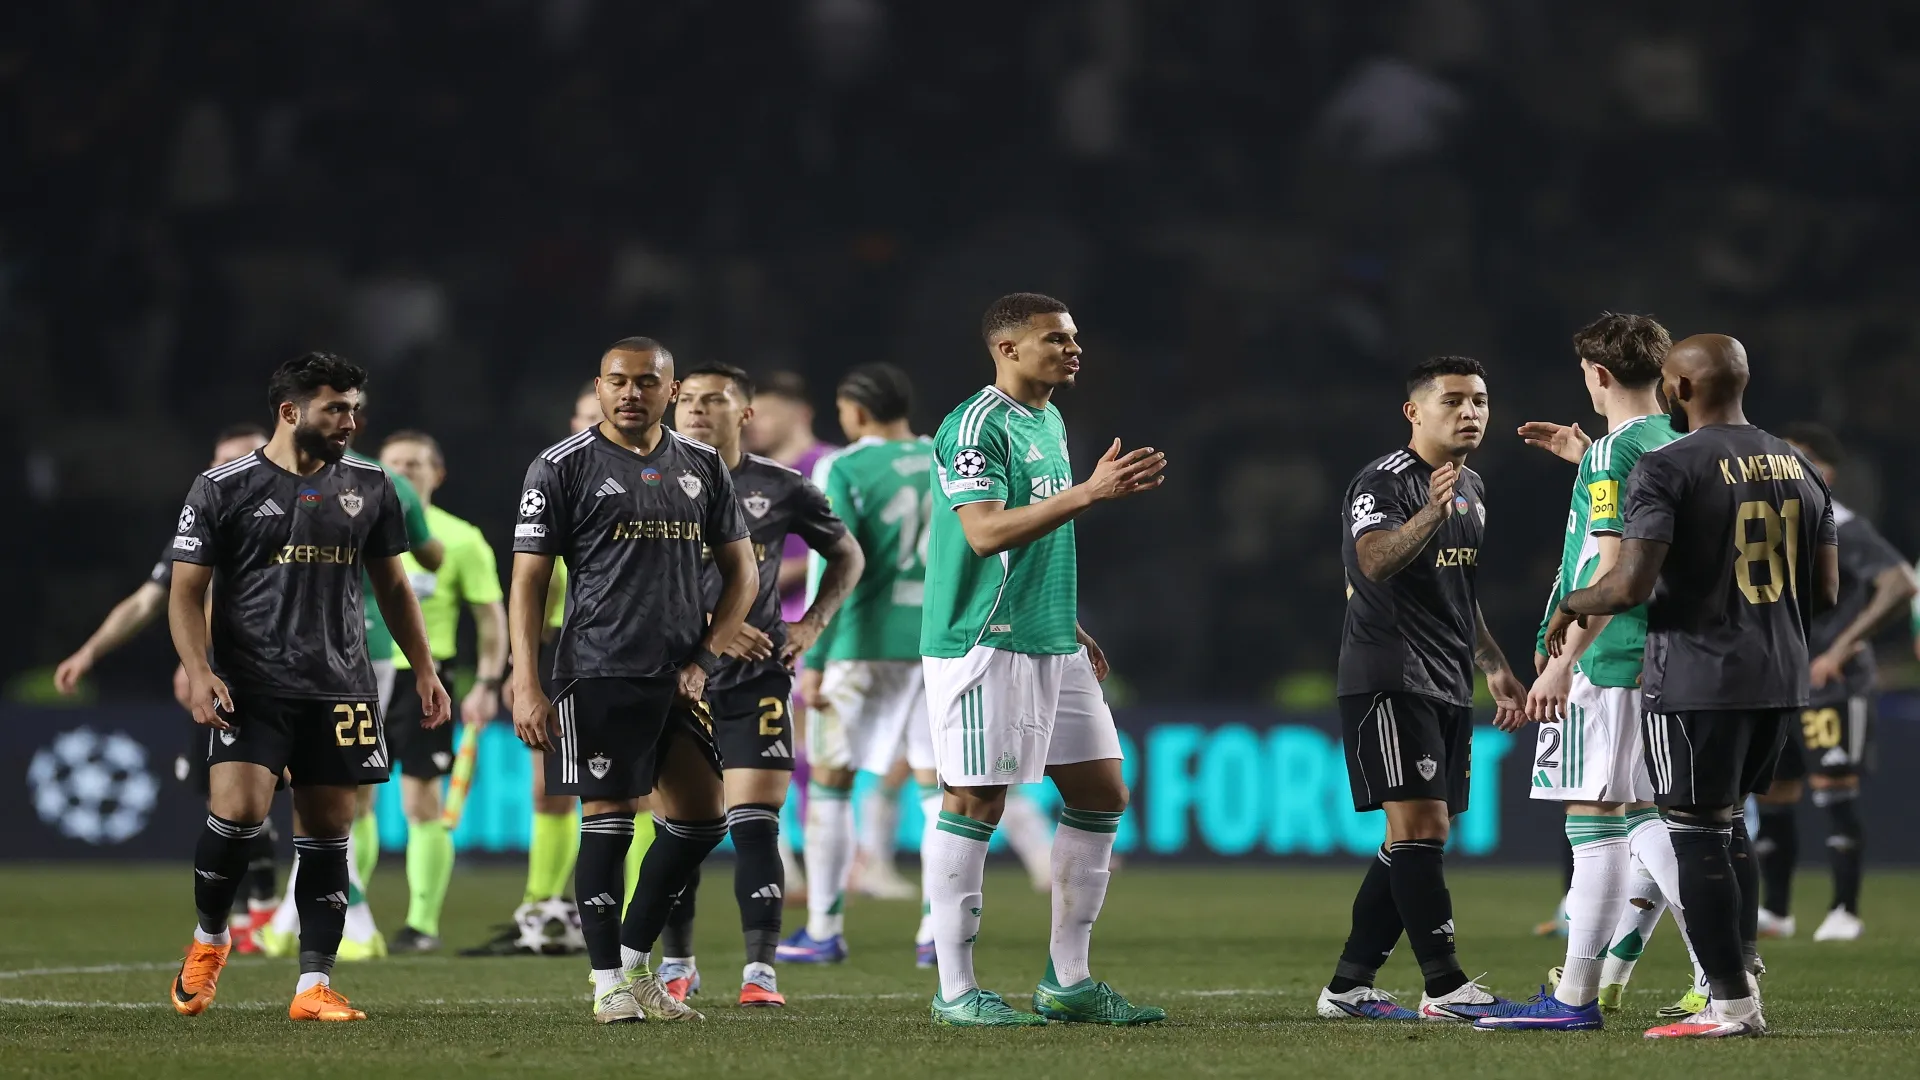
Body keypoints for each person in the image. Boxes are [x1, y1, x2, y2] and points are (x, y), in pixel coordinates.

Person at [1545, 333, 1839, 1039]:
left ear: (1677, 389)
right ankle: (1735, 975)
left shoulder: (1668, 465)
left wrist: (1571, 604)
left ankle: (1729, 1002)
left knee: (1694, 833)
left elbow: (1630, 584)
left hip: (1703, 676)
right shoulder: (1800, 466)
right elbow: (1824, 592)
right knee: (1729, 825)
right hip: (1782, 677)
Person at [166, 352, 450, 1022]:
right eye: (336, 408)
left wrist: (426, 668)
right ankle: (209, 941)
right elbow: (185, 593)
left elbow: (394, 587)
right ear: (290, 411)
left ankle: (312, 986)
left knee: (329, 831)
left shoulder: (371, 487)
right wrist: (201, 669)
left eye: (355, 408)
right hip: (250, 682)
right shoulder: (223, 486)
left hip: (341, 683)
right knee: (239, 811)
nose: (351, 421)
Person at [920, 292, 1167, 1027]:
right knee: (974, 802)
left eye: (1074, 337)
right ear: (1007, 349)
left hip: (1050, 637)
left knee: (1101, 794)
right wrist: (1090, 493)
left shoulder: (1050, 419)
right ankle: (956, 992)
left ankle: (1068, 981)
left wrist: (1072, 621)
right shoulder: (973, 426)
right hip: (982, 639)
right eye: (1055, 338)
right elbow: (987, 533)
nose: (1072, 348)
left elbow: (1039, 537)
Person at [506, 337, 757, 1024]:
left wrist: (705, 658)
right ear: (599, 384)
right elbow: (529, 580)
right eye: (618, 381)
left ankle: (636, 962)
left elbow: (744, 572)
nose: (631, 393)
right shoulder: (561, 466)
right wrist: (525, 681)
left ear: (670, 392)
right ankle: (606, 981)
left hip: (678, 676)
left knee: (705, 819)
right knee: (609, 822)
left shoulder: (702, 465)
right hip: (598, 669)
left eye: (647, 382)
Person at [1477, 314, 1694, 1031]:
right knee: (1636, 813)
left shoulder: (1617, 453)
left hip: (1611, 653)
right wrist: (1587, 454)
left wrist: (1565, 659)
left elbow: (1607, 559)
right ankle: (1709, 969)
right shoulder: (1677, 442)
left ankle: (1707, 971)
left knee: (1606, 818)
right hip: (1665, 653)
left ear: (1597, 376)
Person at [1318, 355, 1526, 1024]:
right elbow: (1375, 562)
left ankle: (1350, 985)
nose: (1471, 413)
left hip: (1444, 676)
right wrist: (1431, 515)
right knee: (1420, 826)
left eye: (1481, 401)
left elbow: (1456, 590)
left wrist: (1491, 661)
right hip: (1388, 673)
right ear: (1415, 412)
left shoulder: (1474, 488)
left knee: (1416, 834)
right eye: (1455, 401)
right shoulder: (1383, 482)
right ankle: (1445, 987)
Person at [655, 364, 862, 1007]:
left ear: (744, 414)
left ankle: (760, 974)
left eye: (712, 399)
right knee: (680, 830)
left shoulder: (783, 486)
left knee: (754, 823)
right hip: (678, 679)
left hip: (757, 677)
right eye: (685, 399)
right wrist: (714, 632)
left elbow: (847, 555)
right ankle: (677, 965)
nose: (694, 409)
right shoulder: (648, 483)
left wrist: (812, 626)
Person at [56, 424, 277, 947]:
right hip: (220, 677)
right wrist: (91, 651)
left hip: (287, 673)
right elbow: (149, 600)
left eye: (244, 458)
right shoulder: (204, 525)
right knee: (222, 797)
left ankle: (270, 911)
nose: (232, 471)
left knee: (282, 797)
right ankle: (251, 915)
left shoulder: (302, 519)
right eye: (222, 461)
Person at [255, 410, 440, 961]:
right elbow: (430, 555)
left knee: (331, 779)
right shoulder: (388, 485)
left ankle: (333, 908)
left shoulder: (274, 480)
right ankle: (320, 907)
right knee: (329, 781)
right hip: (350, 652)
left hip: (332, 653)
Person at [782, 363, 940, 963]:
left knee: (830, 782)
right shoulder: (945, 459)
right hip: (936, 644)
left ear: (856, 412)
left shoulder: (843, 465)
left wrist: (813, 649)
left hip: (859, 644)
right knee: (936, 792)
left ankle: (823, 930)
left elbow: (831, 560)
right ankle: (935, 932)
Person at [1752, 423, 1914, 943]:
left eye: (1797, 461)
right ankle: (1776, 911)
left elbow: (1900, 583)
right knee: (1775, 796)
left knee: (1833, 792)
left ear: (1826, 472)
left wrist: (1842, 648)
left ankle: (1845, 910)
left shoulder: (1841, 522)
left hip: (1832, 684)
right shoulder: (1772, 525)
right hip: (1780, 683)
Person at [466, 382, 602, 957]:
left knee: (638, 791)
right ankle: (542, 906)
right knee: (550, 788)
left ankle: (639, 904)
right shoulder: (557, 481)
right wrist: (517, 672)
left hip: (630, 649)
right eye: (586, 416)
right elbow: (530, 584)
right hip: (557, 649)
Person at [376, 430, 511, 953]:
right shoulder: (352, 526)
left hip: (422, 679)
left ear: (437, 474)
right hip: (358, 670)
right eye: (393, 463)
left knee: (421, 799)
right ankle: (354, 912)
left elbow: (489, 618)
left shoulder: (460, 539)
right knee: (350, 800)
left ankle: (421, 924)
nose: (404, 472)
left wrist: (485, 683)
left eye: (415, 463)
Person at [745, 370, 836, 901]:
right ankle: (797, 868)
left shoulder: (826, 467)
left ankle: (834, 869)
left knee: (813, 749)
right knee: (778, 747)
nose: (757, 423)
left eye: (768, 412)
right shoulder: (753, 471)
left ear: (799, 413)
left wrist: (738, 581)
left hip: (810, 622)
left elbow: (831, 551)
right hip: (761, 625)